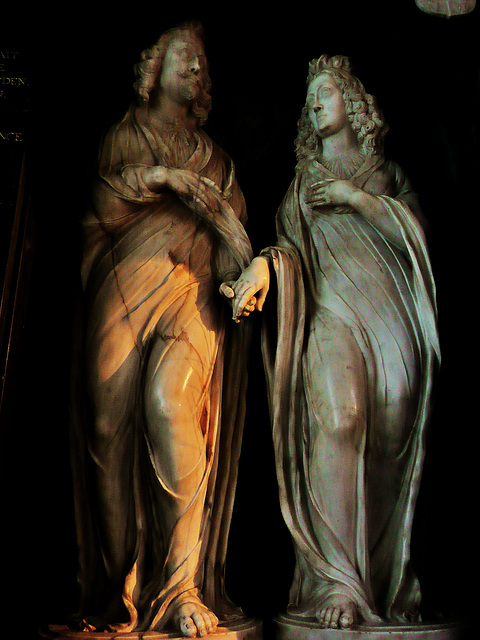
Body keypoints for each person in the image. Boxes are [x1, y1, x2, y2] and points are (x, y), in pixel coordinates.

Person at [227, 55, 440, 630]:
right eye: (309, 98)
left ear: (355, 104)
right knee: (338, 421)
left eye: (325, 92)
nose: (315, 103)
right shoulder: (301, 187)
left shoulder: (387, 174)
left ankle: (377, 580)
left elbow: (417, 239)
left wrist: (357, 199)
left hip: (390, 321)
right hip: (330, 318)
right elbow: (288, 250)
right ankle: (336, 583)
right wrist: (265, 271)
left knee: (390, 429)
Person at [69, 22, 253, 638]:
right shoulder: (124, 138)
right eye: (186, 56)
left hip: (190, 294)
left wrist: (250, 273)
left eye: (203, 61)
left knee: (172, 406)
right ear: (154, 65)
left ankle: (181, 590)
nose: (197, 68)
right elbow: (104, 208)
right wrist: (165, 181)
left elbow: (235, 247)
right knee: (104, 425)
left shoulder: (218, 162)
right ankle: (115, 591)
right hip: (122, 288)